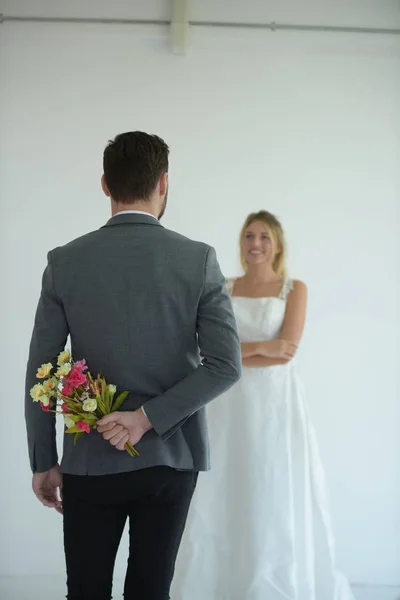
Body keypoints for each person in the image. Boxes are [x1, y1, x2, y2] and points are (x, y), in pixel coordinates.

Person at [24, 131, 241, 600]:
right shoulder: (198, 259)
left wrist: (44, 459)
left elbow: (40, 368)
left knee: (85, 589)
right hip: (170, 456)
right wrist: (147, 419)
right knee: (150, 589)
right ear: (163, 183)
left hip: (89, 459)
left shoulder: (64, 262)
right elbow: (225, 365)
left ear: (105, 184)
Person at [171, 210, 354, 600]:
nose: (255, 244)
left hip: (274, 403)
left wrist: (242, 353)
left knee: (271, 481)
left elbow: (286, 351)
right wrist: (259, 348)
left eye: (264, 237)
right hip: (228, 401)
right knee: (223, 483)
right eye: (249, 236)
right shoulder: (224, 285)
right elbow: (206, 348)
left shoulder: (294, 288)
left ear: (277, 244)